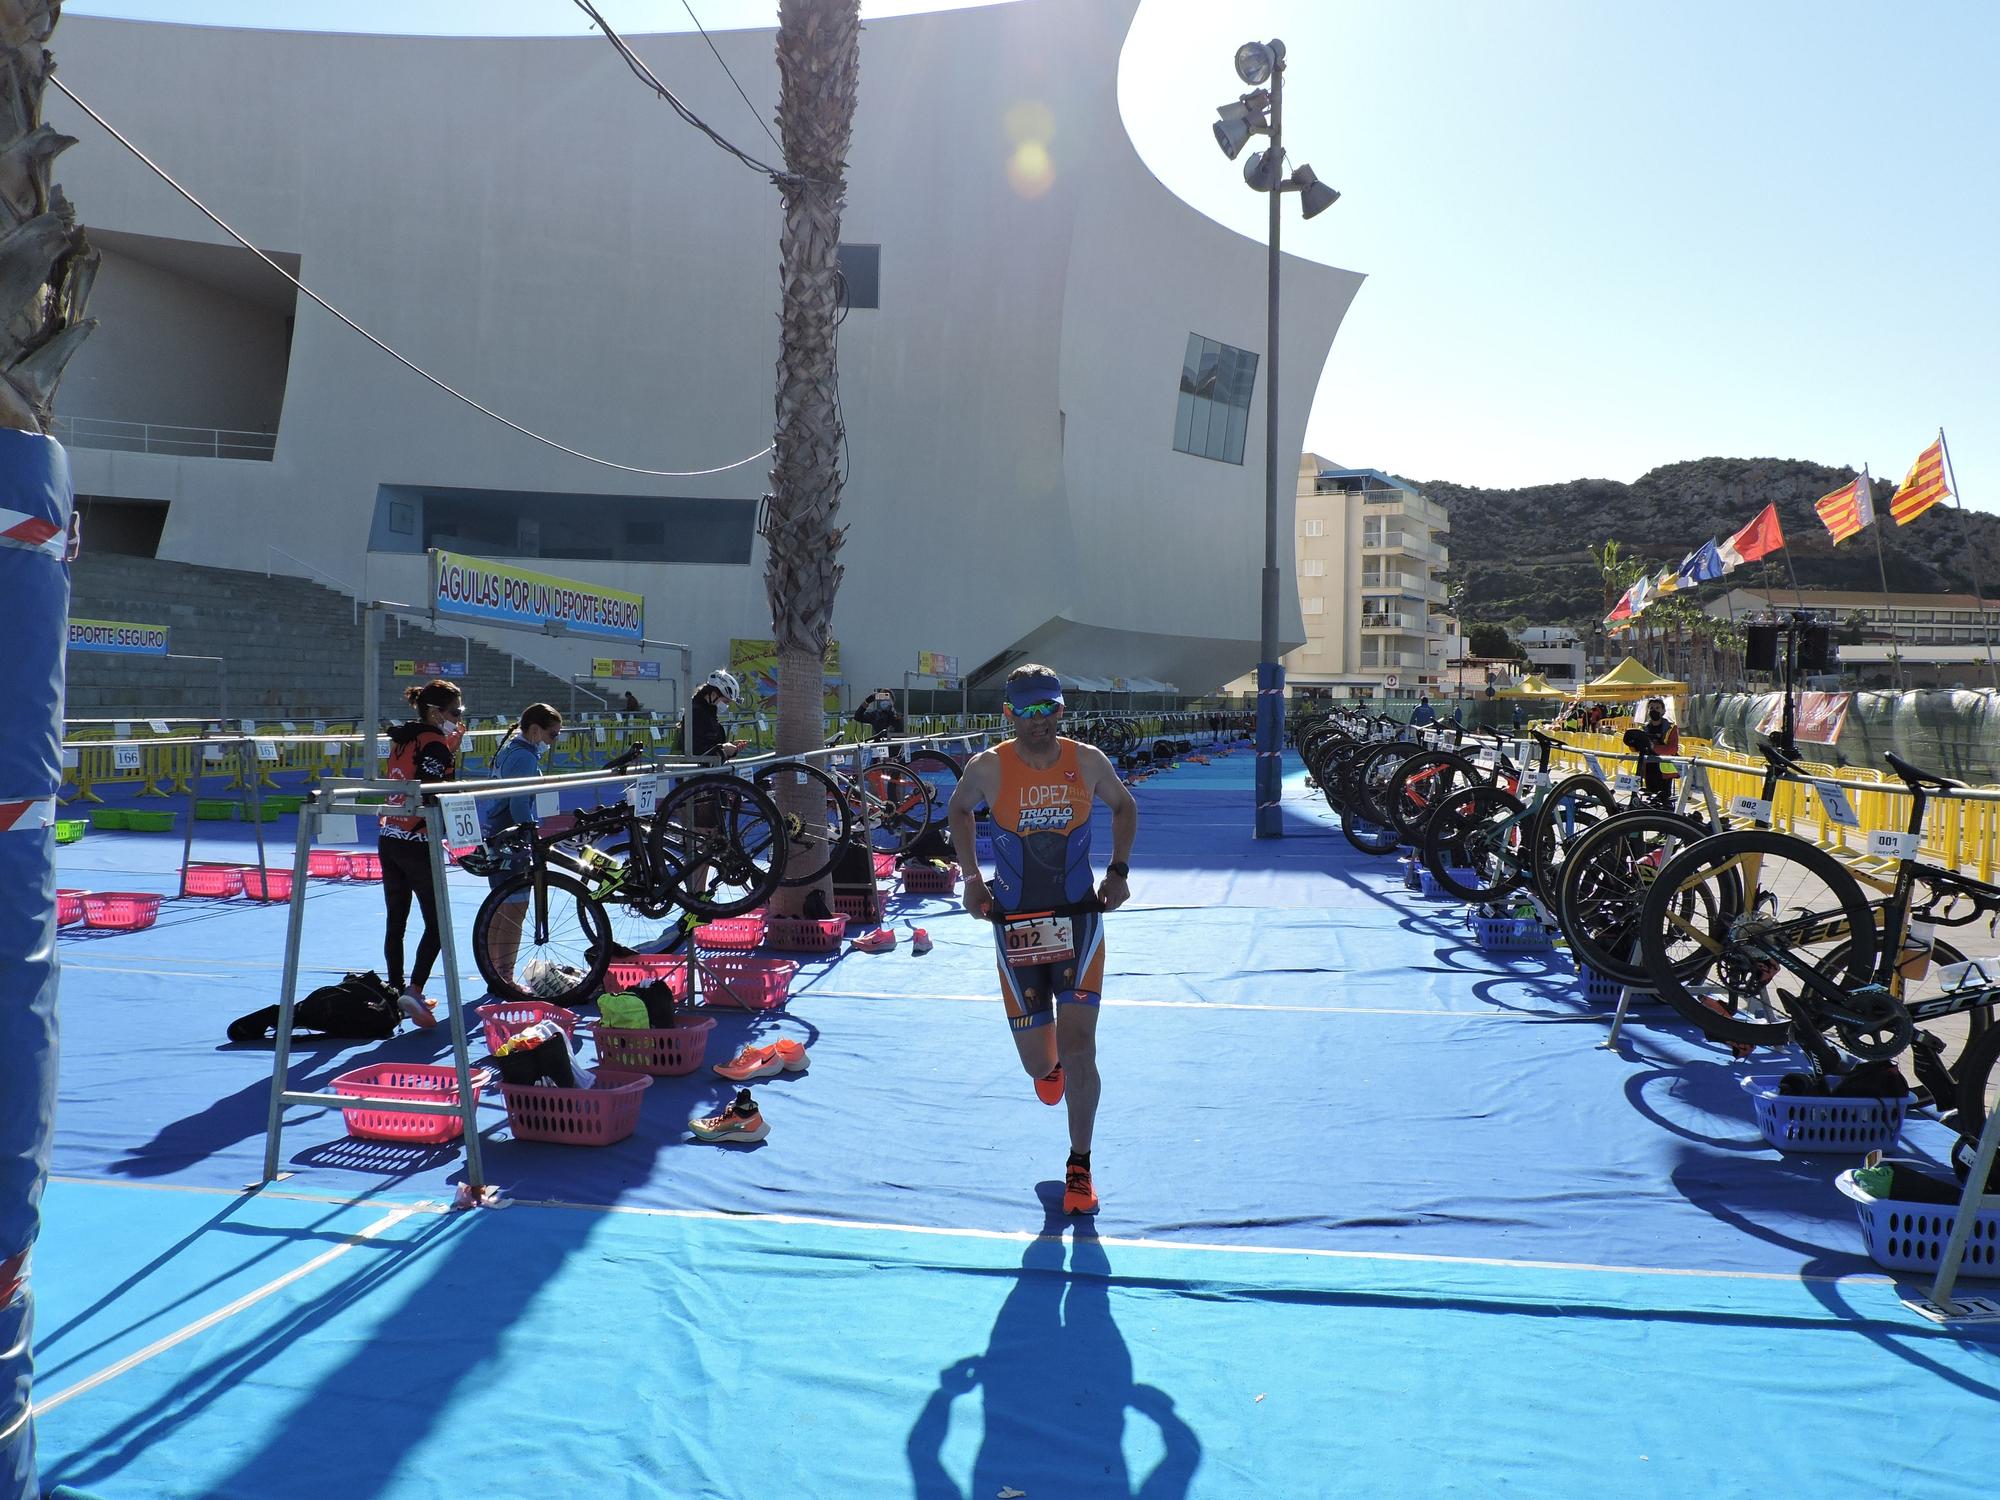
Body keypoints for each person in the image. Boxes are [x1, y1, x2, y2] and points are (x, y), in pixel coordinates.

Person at [947, 664, 1138, 1217]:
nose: (1039, 720)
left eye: (1048, 708)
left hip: (1079, 921)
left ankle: (1079, 1164)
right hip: (1016, 928)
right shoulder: (988, 768)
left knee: (1082, 1049)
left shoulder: (1087, 760)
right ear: (1009, 713)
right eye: (1027, 710)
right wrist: (972, 878)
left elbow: (1124, 805)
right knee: (1040, 1065)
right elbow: (959, 810)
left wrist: (1119, 871)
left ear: (1061, 708)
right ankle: (1047, 1068)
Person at [377, 678, 463, 1026]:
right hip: (417, 839)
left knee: (396, 919)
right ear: (434, 711)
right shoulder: (434, 743)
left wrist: (448, 747)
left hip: (389, 835)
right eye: (454, 712)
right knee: (438, 923)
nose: (458, 718)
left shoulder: (404, 738)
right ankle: (413, 990)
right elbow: (431, 791)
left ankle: (394, 990)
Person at [479, 703, 564, 983]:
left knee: (500, 907)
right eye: (553, 735)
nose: (555, 741)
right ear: (536, 730)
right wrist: (531, 833)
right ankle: (505, 976)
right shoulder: (524, 757)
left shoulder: (510, 750)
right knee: (514, 910)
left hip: (496, 831)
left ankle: (495, 973)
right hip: (510, 836)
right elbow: (518, 805)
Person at [680, 668, 746, 762]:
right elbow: (696, 750)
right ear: (714, 694)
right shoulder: (697, 713)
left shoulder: (708, 712)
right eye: (725, 701)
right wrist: (724, 749)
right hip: (697, 774)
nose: (727, 705)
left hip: (707, 772)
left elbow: (711, 744)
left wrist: (730, 747)